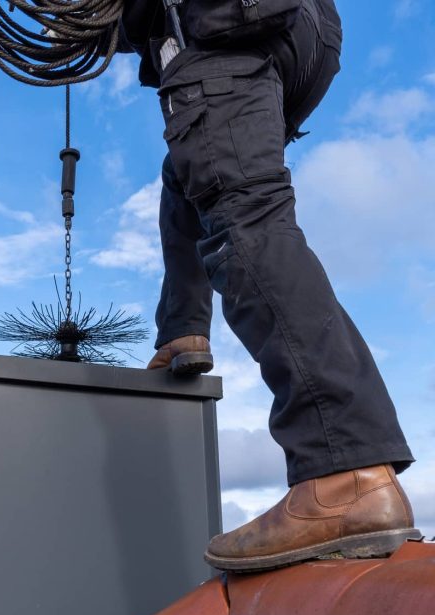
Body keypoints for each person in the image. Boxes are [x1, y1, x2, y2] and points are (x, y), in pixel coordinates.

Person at [120, 0, 420, 571]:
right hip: (301, 30)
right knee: (189, 170)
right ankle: (183, 328)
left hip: (218, 22)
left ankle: (345, 472)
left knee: (245, 217)